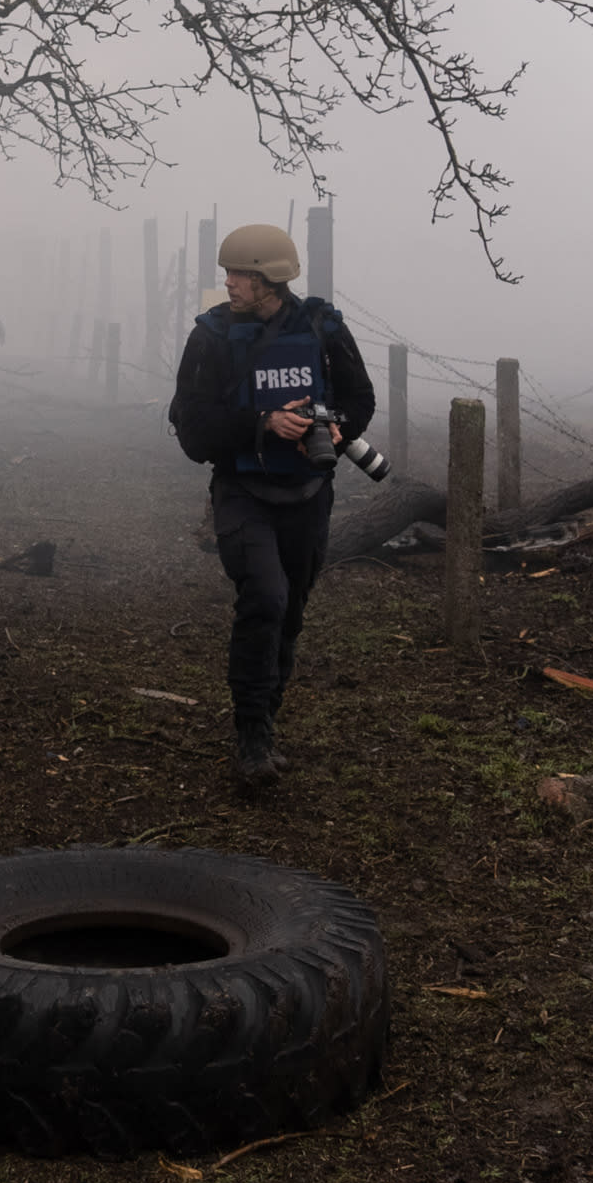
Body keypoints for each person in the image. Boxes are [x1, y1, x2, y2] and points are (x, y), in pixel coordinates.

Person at [167, 222, 374, 788]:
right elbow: (192, 429)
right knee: (264, 596)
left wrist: (330, 428)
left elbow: (360, 399)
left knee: (291, 611)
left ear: (272, 279)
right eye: (228, 272)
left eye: (241, 274)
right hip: (241, 491)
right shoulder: (210, 337)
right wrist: (261, 423)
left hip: (308, 492)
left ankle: (267, 719)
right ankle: (251, 735)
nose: (228, 283)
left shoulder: (321, 326)